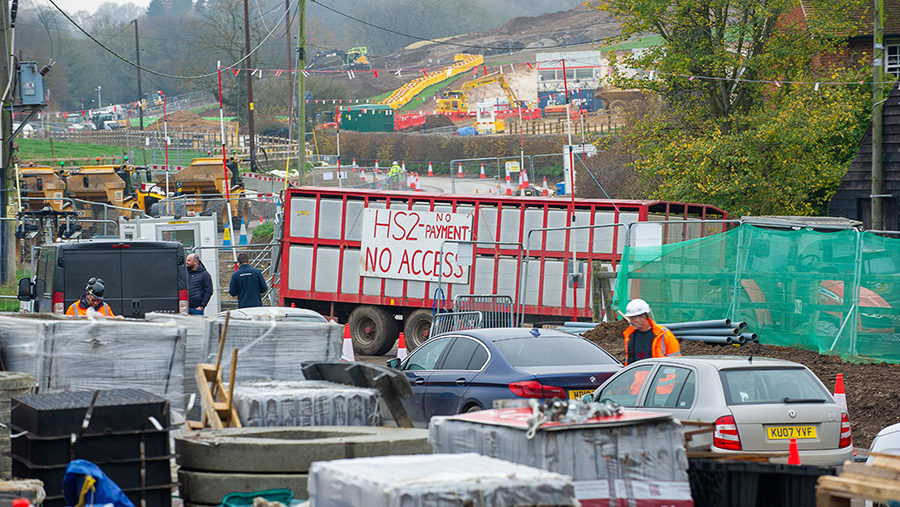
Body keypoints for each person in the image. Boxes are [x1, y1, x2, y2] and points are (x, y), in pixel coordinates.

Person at [622, 298, 680, 366]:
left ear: (643, 317)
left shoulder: (664, 335)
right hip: (636, 375)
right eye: (629, 318)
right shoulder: (629, 335)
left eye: (633, 318)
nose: (630, 321)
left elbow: (676, 361)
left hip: (658, 376)